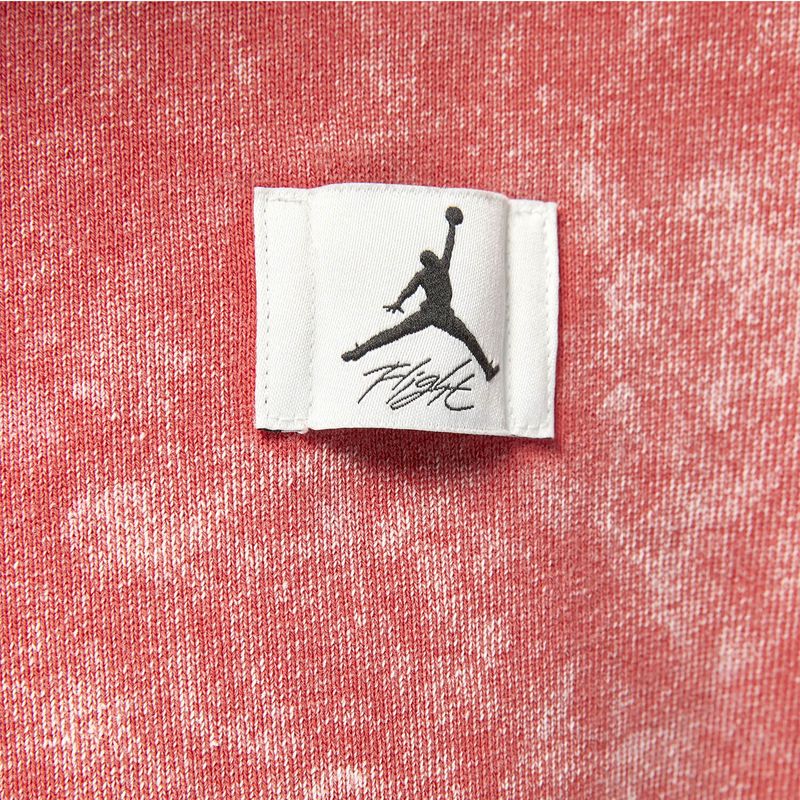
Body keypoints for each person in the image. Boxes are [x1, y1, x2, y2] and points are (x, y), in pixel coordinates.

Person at [342, 206, 500, 382]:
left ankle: (359, 351)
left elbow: (409, 289)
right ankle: (487, 369)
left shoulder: (426, 273)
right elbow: (449, 245)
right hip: (442, 315)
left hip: (432, 313)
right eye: (431, 256)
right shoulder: (441, 267)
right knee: (467, 338)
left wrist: (399, 302)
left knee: (394, 332)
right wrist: (451, 226)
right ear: (431, 260)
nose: (433, 256)